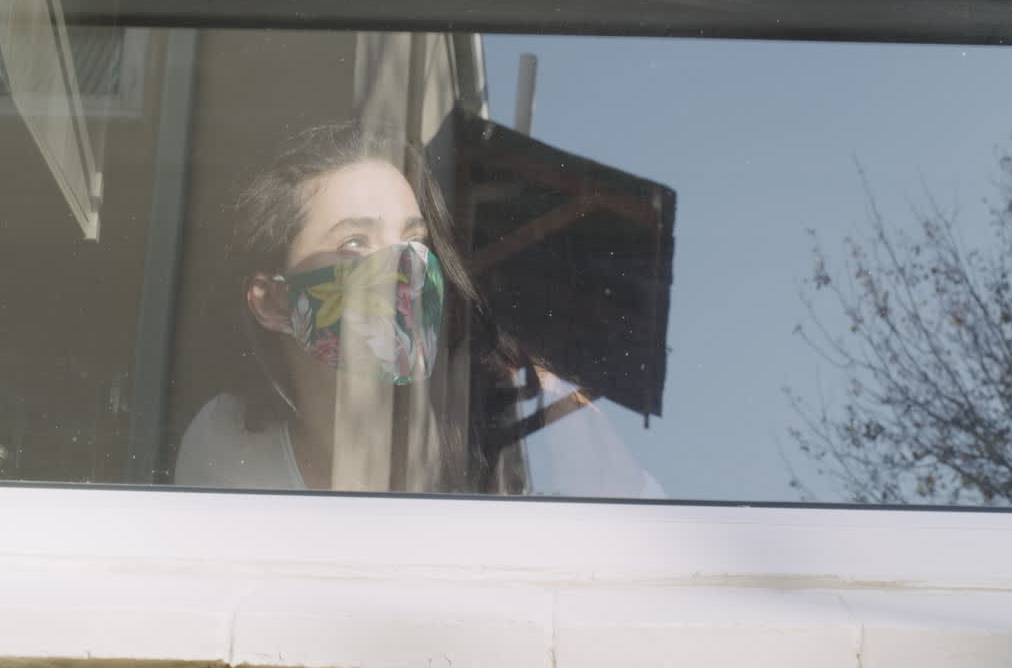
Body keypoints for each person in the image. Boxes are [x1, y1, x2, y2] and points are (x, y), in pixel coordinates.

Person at [174, 123, 661, 497]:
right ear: (273, 300)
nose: (405, 268)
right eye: (354, 242)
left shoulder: (534, 414)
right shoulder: (230, 442)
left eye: (413, 239)